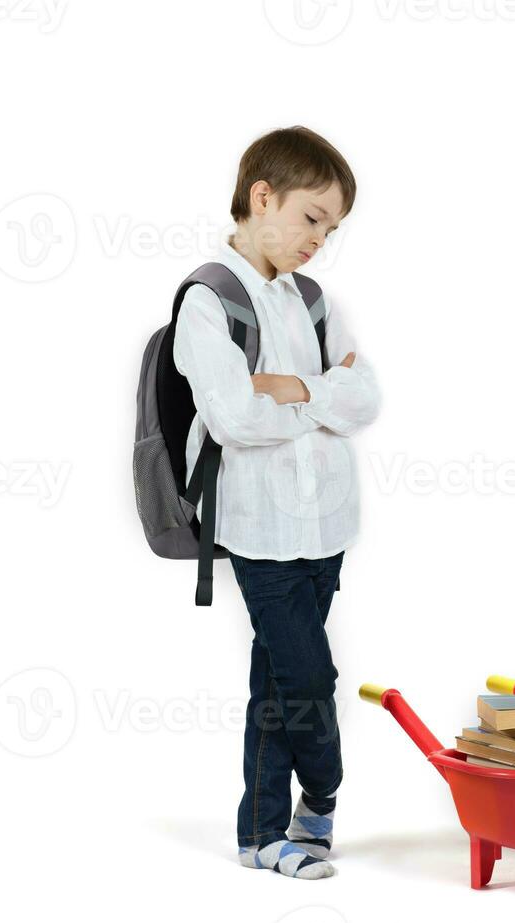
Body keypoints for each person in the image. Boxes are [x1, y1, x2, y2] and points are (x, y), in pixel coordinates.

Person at [173, 125, 382, 879]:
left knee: (276, 676)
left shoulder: (314, 301)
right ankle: (320, 799)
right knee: (307, 679)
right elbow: (232, 418)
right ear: (263, 197)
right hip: (261, 531)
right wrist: (322, 396)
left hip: (327, 522)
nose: (320, 239)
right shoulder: (210, 299)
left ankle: (262, 835)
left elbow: (366, 398)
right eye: (312, 217)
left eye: (332, 226)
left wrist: (295, 388)